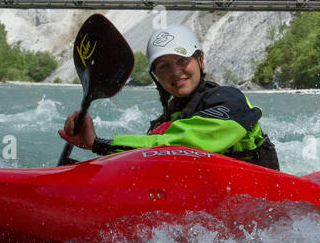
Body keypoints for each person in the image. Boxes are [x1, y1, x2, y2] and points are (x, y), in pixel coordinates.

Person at [59, 23, 280, 171]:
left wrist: (99, 144)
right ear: (156, 76)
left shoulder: (230, 101)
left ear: (200, 60)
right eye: (164, 66)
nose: (175, 73)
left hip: (257, 202)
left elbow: (182, 144)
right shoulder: (164, 123)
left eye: (182, 61)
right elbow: (146, 159)